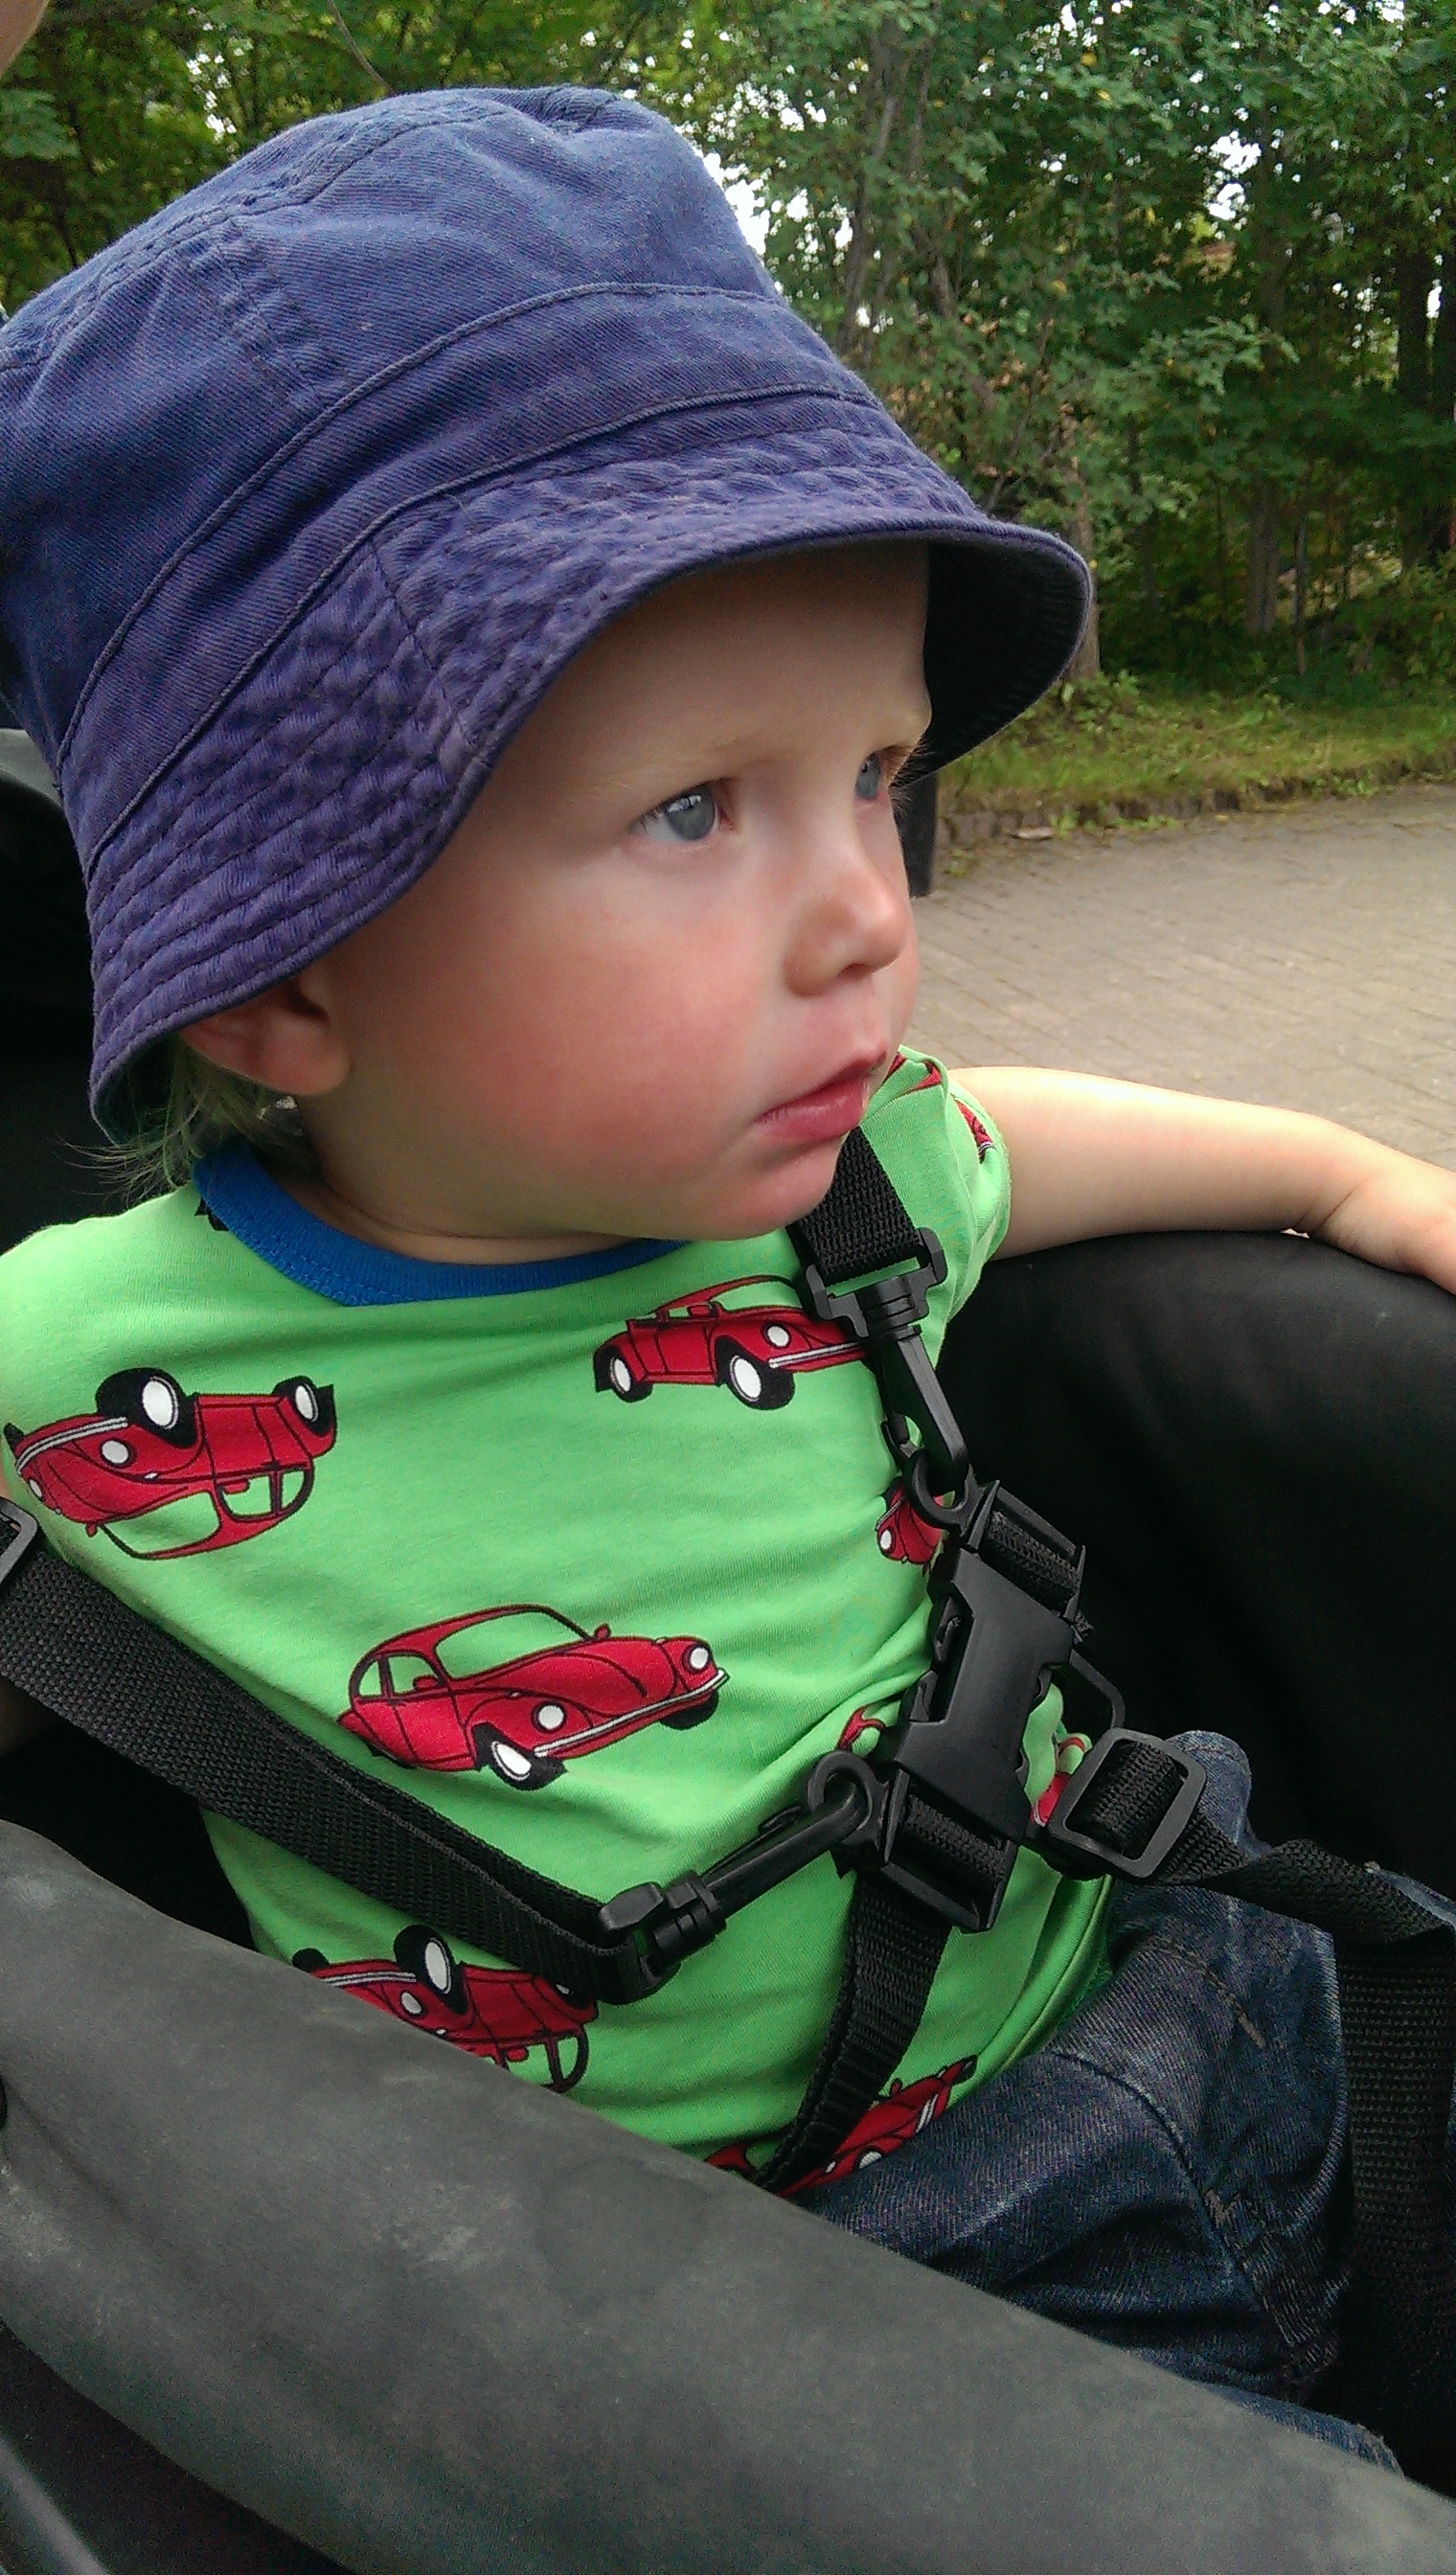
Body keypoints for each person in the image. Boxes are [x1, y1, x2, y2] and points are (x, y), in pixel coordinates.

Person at [1, 88, 1454, 2472]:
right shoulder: (78, 1368)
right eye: (695, 809)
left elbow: (1042, 1133)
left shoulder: (844, 1185)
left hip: (1186, 1957)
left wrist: (1356, 1174)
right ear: (276, 980)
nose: (870, 907)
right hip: (805, 2327)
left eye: (876, 772)